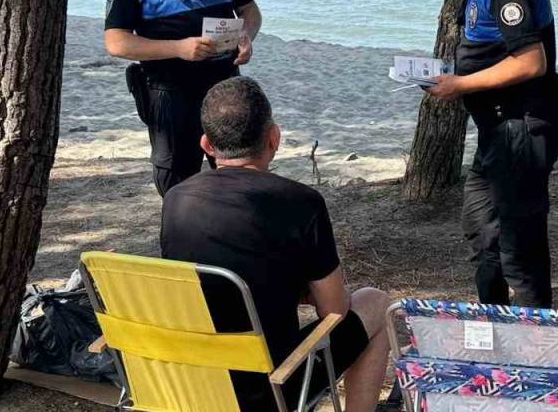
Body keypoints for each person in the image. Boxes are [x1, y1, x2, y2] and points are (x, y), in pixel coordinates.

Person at [160, 77, 390, 411]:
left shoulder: (176, 199)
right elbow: (335, 312)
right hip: (270, 388)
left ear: (207, 145)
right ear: (274, 138)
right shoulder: (301, 202)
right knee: (376, 304)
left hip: (189, 379)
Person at [421, 0, 558, 309]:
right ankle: (495, 325)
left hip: (522, 127)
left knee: (519, 249)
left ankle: (537, 349)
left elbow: (531, 62)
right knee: (483, 229)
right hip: (498, 130)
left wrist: (459, 85)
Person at [104, 0, 263, 196]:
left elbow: (249, 10)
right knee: (178, 185)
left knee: (240, 177)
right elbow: (116, 42)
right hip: (169, 93)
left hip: (226, 86)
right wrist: (179, 48)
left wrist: (246, 35)